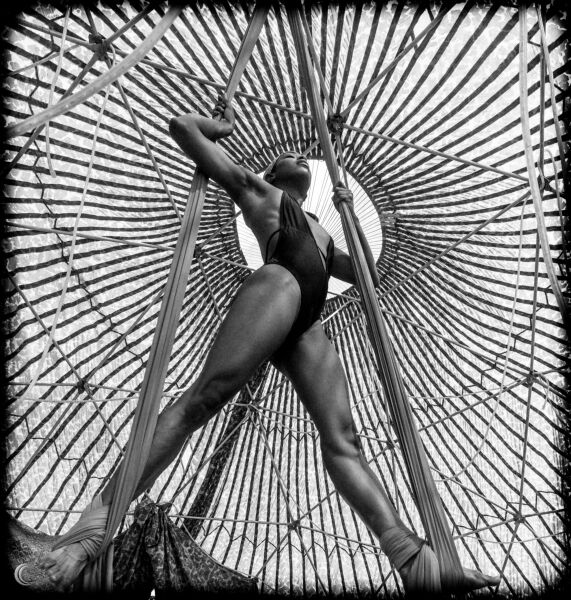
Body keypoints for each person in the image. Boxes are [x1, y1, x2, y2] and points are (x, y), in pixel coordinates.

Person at [39, 97, 500, 594]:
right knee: (205, 398)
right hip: (279, 285)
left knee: (344, 439)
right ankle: (90, 533)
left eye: (306, 159)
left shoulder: (322, 229)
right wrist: (222, 126)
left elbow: (364, 274)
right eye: (290, 158)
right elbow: (182, 126)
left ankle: (411, 560)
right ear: (273, 173)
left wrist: (348, 213)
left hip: (307, 320)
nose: (302, 157)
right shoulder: (259, 191)